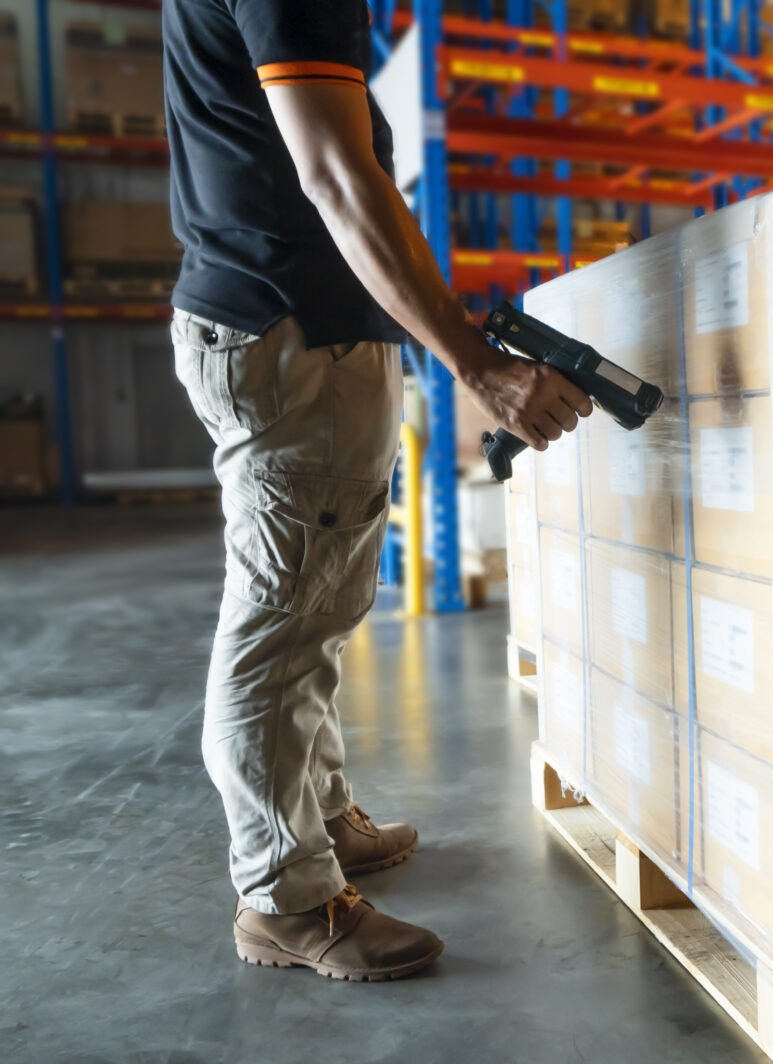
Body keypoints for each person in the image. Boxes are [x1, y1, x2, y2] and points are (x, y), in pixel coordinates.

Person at [163, 0, 592, 981]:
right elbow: (336, 176)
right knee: (279, 619)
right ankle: (287, 897)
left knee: (318, 599)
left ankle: (317, 820)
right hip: (288, 325)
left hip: (295, 322)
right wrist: (475, 364)